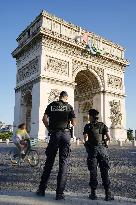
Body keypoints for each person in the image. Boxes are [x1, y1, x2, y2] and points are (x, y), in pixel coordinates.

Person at [36, 91, 76, 200]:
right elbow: (74, 123)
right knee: (63, 163)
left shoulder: (51, 105)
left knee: (49, 162)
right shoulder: (69, 107)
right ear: (66, 98)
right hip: (66, 135)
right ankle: (59, 194)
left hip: (54, 134)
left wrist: (49, 128)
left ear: (59, 97)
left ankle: (41, 190)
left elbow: (44, 119)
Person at [83, 109, 114, 201]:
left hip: (93, 151)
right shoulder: (102, 125)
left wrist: (87, 144)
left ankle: (93, 194)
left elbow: (85, 139)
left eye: (89, 115)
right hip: (102, 151)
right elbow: (109, 137)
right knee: (105, 172)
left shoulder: (87, 126)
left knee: (93, 172)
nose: (88, 117)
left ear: (91, 116)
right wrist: (104, 142)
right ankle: (107, 194)